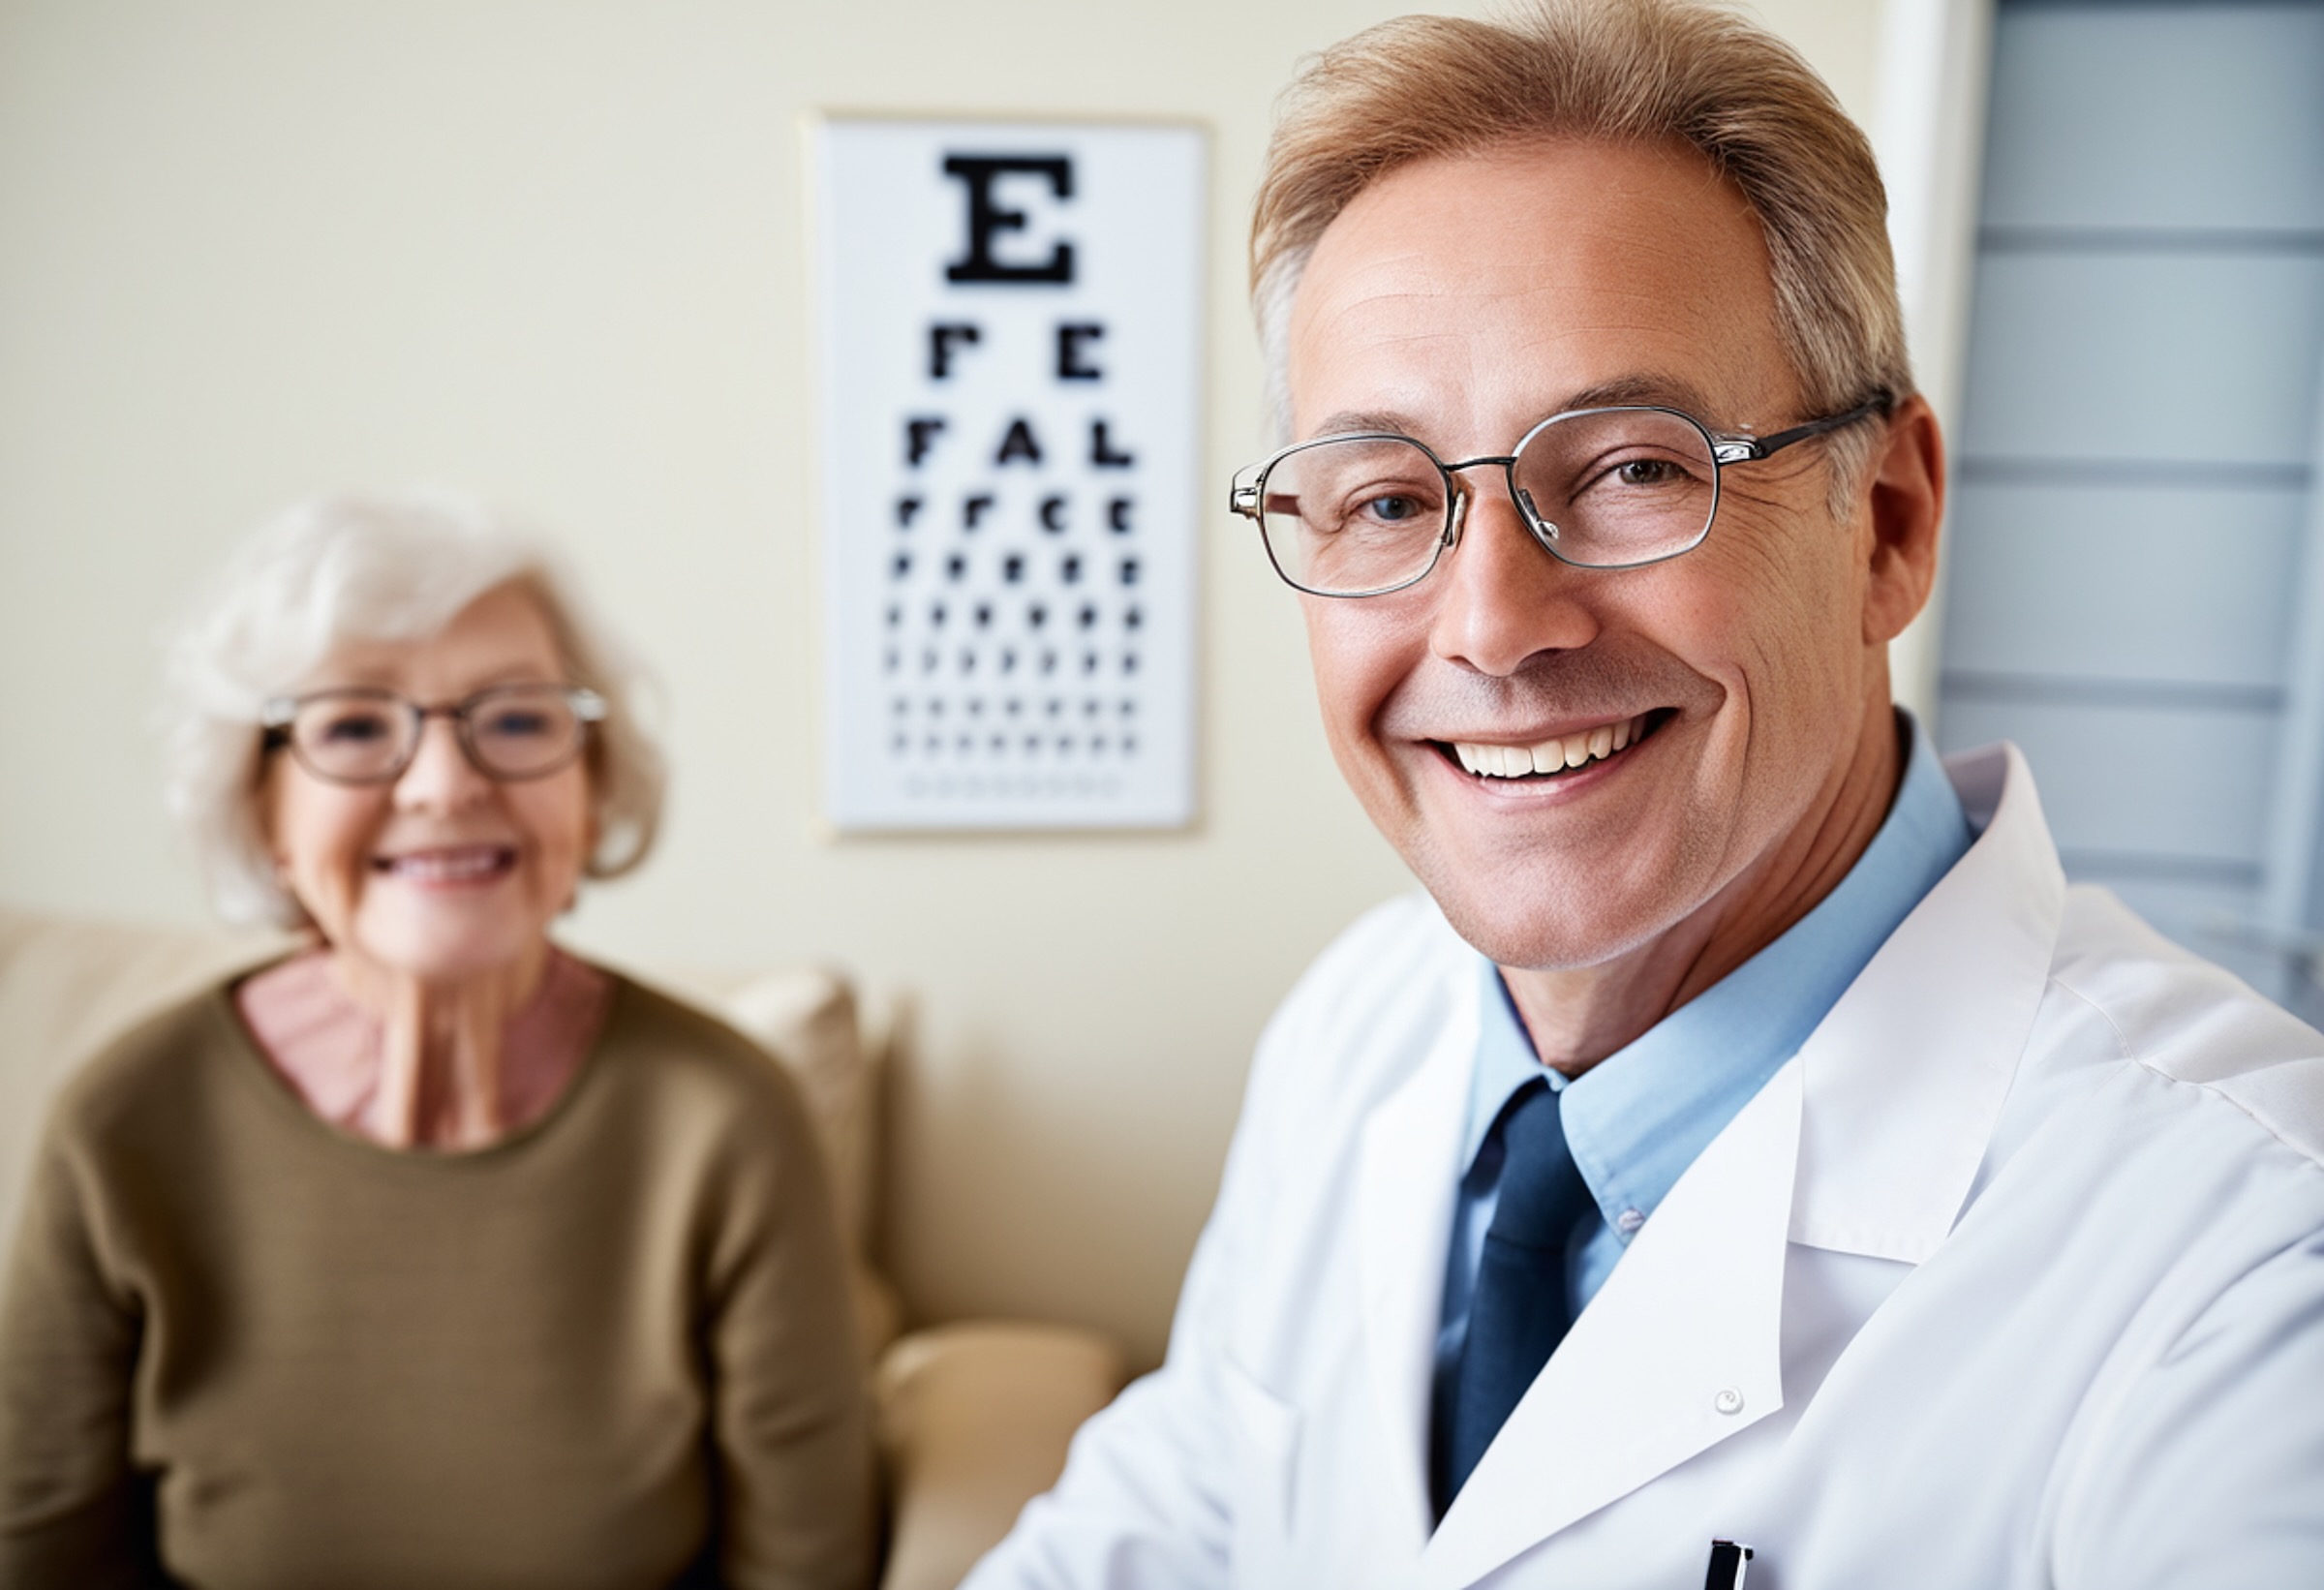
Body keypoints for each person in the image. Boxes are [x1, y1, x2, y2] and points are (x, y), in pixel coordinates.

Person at [965, 2, 2324, 1586]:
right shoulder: (1358, 1026)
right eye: (1387, 497)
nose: (1488, 625)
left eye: (1631, 468)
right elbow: (1169, 1517)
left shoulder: (2248, 1274)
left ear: (1886, 519)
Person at [0, 490, 875, 1588]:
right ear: (260, 805)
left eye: (516, 719)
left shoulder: (727, 1117)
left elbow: (806, 1567)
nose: (446, 782)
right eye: (356, 726)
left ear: (593, 783)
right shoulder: (123, 1124)